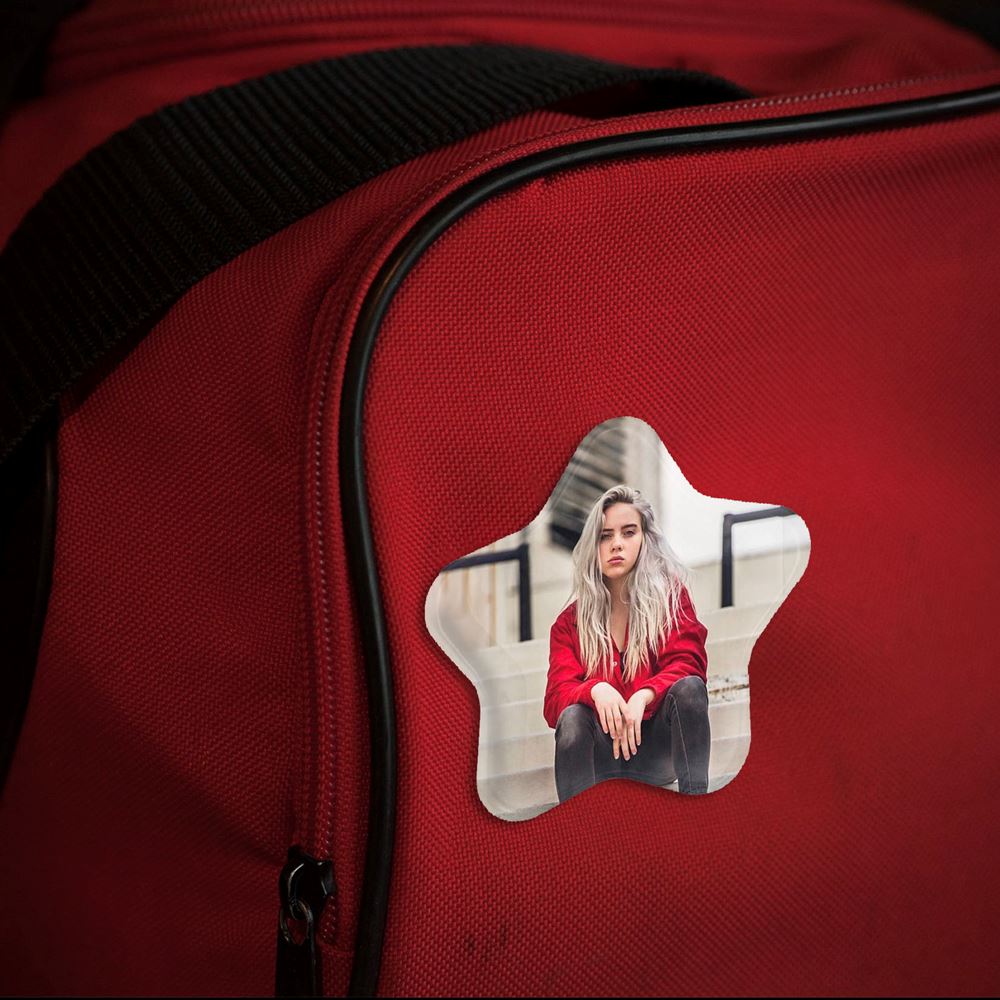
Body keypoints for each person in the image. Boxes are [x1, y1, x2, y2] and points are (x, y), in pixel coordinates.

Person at [543, 484, 711, 802]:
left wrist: (644, 696)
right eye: (605, 536)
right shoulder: (568, 624)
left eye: (628, 532)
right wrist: (594, 690)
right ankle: (574, 825)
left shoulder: (671, 599)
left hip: (658, 752)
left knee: (690, 688)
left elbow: (689, 663)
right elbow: (555, 697)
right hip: (601, 759)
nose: (616, 544)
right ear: (593, 545)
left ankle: (697, 805)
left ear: (644, 540)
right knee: (572, 716)